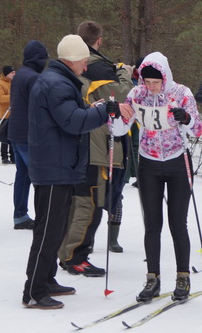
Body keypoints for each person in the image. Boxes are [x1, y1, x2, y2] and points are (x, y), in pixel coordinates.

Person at [22, 34, 131, 310]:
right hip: (53, 168)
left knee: (56, 227)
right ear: (72, 61)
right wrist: (106, 110)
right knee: (47, 231)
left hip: (61, 165)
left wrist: (95, 108)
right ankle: (34, 290)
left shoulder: (59, 81)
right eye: (84, 62)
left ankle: (47, 280)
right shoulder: (56, 84)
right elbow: (72, 121)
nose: (85, 67)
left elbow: (72, 114)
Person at [124, 52, 202, 302]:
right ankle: (152, 278)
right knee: (152, 224)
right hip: (148, 163)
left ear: (165, 77)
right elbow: (120, 126)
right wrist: (114, 115)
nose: (150, 87)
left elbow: (199, 130)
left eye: (155, 82)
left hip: (178, 161)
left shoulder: (181, 93)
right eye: (146, 82)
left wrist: (187, 119)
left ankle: (183, 276)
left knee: (178, 223)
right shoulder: (137, 94)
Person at [58, 21, 133, 276]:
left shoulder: (71, 65)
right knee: (87, 203)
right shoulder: (97, 65)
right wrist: (125, 73)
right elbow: (123, 94)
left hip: (81, 142)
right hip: (96, 144)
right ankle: (74, 255)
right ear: (98, 41)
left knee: (81, 201)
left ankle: (69, 252)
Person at [7, 41, 47, 230]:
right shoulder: (34, 78)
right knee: (39, 176)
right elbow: (38, 108)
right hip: (29, 134)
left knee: (22, 175)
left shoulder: (19, 75)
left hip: (15, 132)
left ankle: (20, 214)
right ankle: (42, 215)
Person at [0, 65, 14, 164]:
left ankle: (13, 156)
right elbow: (1, 98)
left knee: (13, 136)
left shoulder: (14, 83)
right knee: (4, 136)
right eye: (12, 73)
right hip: (5, 114)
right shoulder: (0, 84)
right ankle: (4, 156)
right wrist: (13, 97)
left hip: (14, 114)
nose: (14, 74)